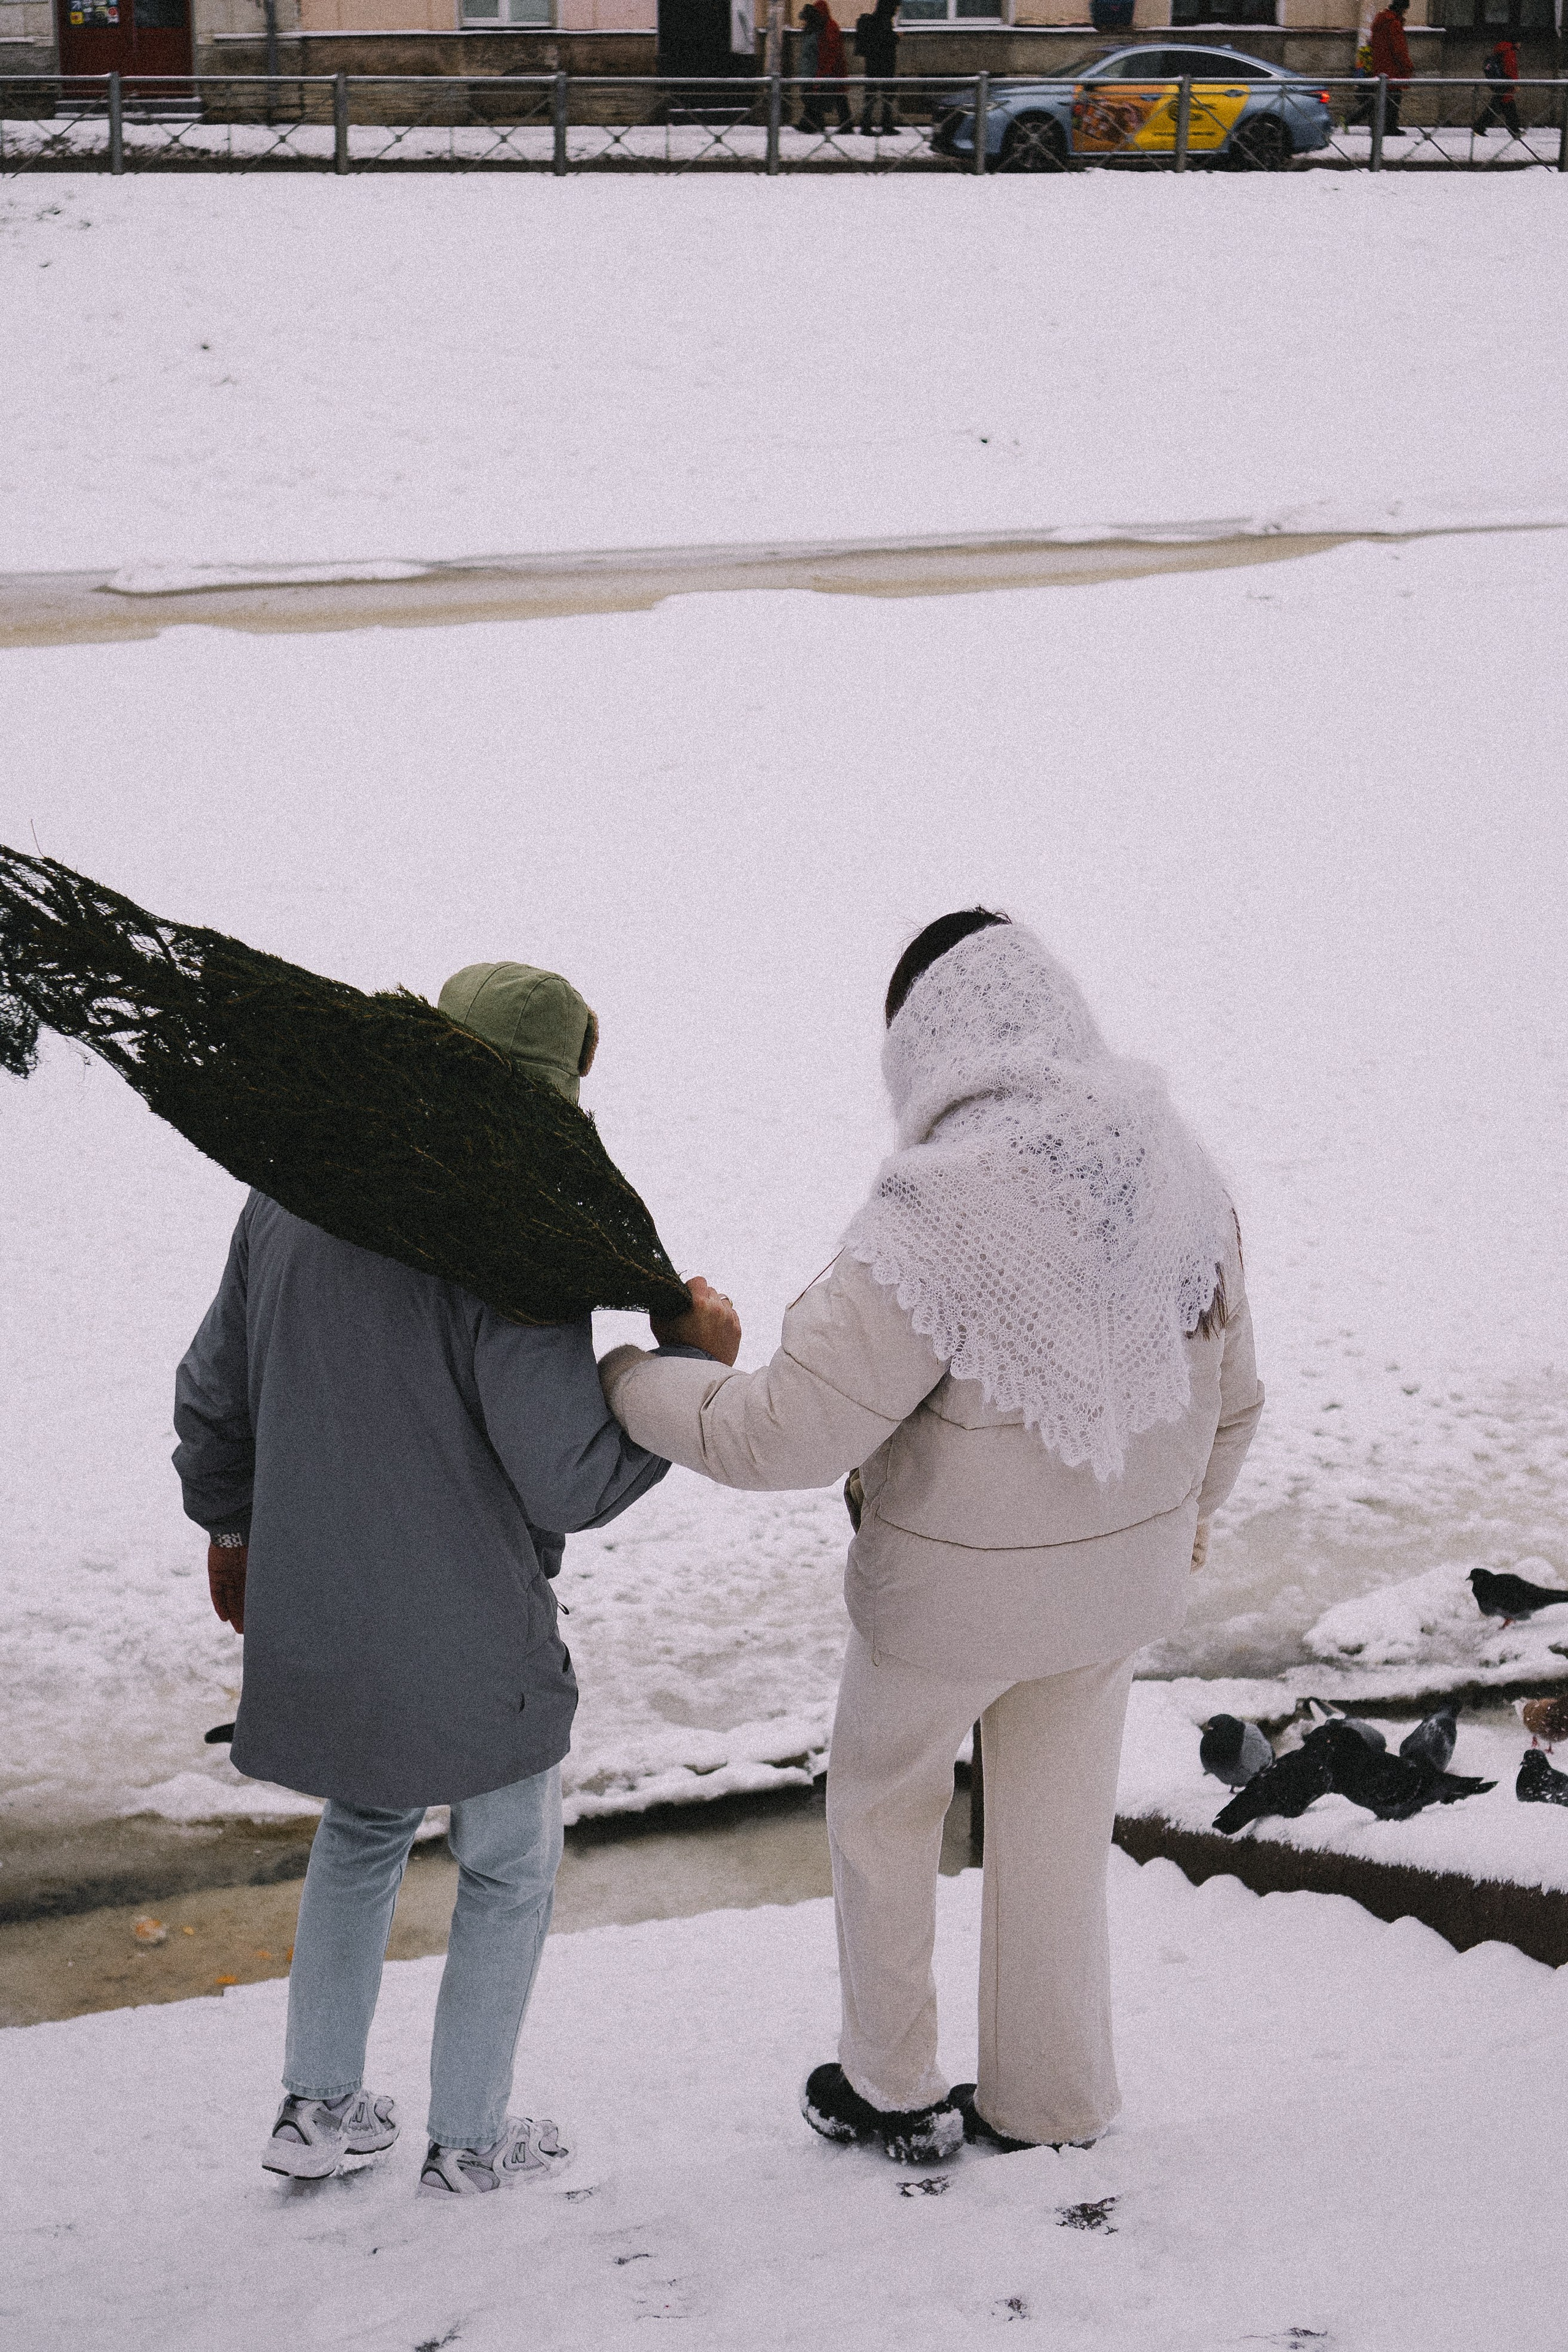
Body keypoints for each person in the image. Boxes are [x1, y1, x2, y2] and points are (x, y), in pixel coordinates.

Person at [600, 911, 1263, 2163]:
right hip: (1112, 1595)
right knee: (1055, 1842)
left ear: (926, 1043)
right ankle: (1049, 2102)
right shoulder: (1177, 1172)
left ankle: (891, 2087)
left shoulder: (931, 1211)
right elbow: (1232, 1400)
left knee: (884, 1816)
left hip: (942, 1610)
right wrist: (1183, 1526)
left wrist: (631, 1378)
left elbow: (783, 1435)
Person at [175, 960, 736, 2199]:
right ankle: (471, 2141)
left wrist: (230, 1529)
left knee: (362, 1831)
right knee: (507, 1868)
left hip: (321, 1610)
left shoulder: (290, 1191)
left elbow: (214, 1394)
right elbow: (567, 1484)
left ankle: (316, 2111)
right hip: (471, 1634)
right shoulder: (510, 1240)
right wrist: (685, 1369)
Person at [798, 1, 852, 133]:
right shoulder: (824, 26)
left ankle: (845, 125)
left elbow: (831, 51)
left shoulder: (829, 27)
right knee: (830, 97)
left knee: (836, 97)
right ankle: (814, 124)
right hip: (829, 69)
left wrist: (825, 70)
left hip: (833, 69)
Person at [854, 0, 900, 136]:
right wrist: (896, 37)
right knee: (887, 95)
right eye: (895, 6)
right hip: (884, 65)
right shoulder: (884, 21)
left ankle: (868, 125)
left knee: (871, 95)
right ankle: (883, 126)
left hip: (872, 64)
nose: (896, 10)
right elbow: (885, 40)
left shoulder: (876, 20)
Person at [1368, 0, 1414, 135]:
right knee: (1393, 100)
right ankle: (1390, 127)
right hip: (1393, 68)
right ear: (1400, 8)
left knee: (1382, 98)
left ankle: (1377, 126)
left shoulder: (1381, 21)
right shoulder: (1393, 23)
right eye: (1405, 10)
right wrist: (1408, 65)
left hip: (1380, 66)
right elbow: (1399, 49)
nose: (1406, 12)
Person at [1475, 34, 1520, 138]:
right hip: (1506, 83)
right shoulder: (1509, 52)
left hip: (1501, 82)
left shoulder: (1501, 50)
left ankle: (1479, 128)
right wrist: (1515, 83)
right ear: (1514, 42)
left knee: (1501, 105)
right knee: (1502, 106)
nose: (1520, 45)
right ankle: (1514, 130)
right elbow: (1510, 69)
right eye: (1519, 42)